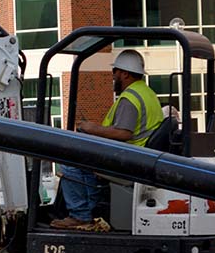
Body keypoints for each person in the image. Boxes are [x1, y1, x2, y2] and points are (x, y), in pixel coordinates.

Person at [51, 50, 163, 230]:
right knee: (84, 163)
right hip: (139, 154)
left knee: (69, 163)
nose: (113, 76)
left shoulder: (130, 98)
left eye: (115, 72)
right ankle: (93, 210)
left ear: (125, 73)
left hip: (128, 157)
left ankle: (80, 215)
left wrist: (92, 129)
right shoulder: (146, 92)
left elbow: (124, 133)